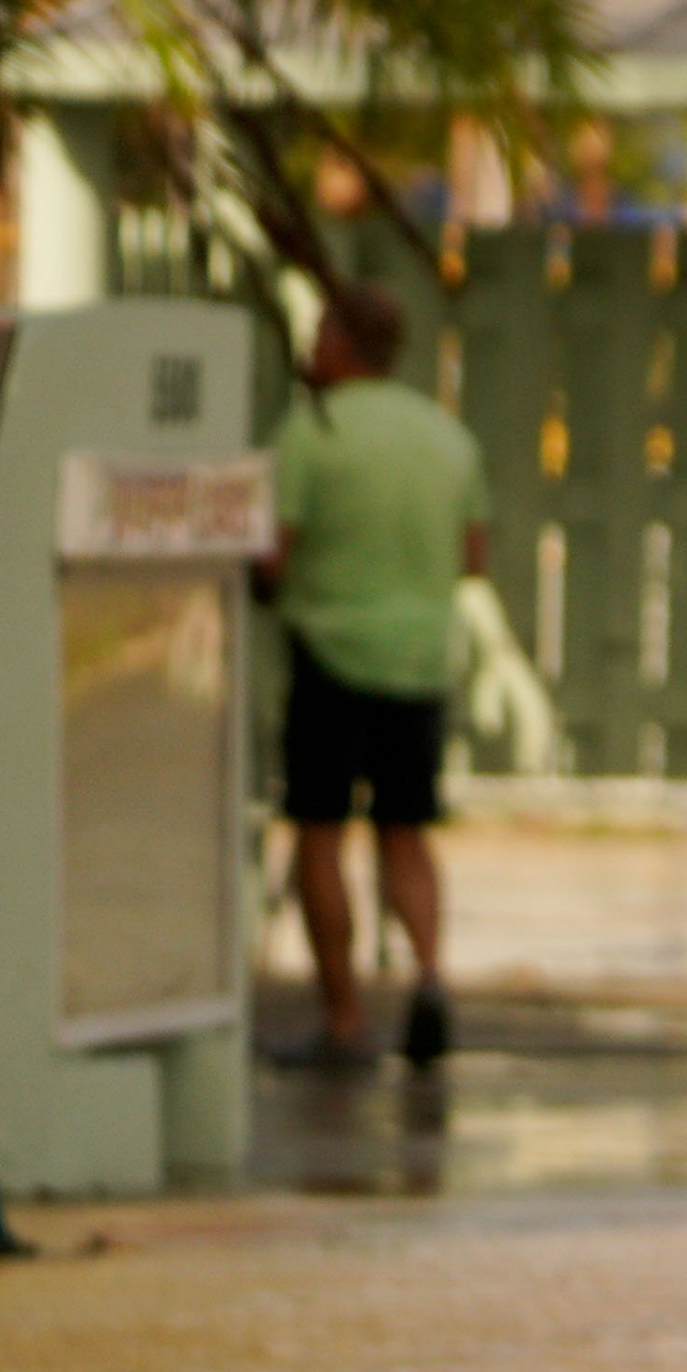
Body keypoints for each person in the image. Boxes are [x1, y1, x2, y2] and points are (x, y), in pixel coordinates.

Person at [259, 278, 486, 1068]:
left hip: (330, 653)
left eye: (321, 332)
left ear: (342, 344)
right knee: (407, 832)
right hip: (420, 660)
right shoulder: (445, 437)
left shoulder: (309, 431)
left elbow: (273, 556)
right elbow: (472, 556)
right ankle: (428, 976)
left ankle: (345, 1020)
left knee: (320, 834)